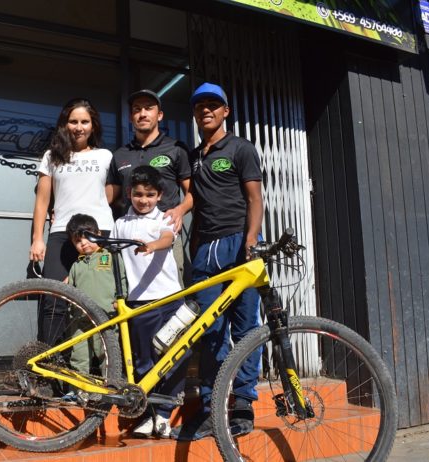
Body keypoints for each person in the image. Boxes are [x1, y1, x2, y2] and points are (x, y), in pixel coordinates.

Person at [170, 83, 263, 441]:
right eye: (199, 106)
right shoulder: (194, 156)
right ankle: (211, 410)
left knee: (246, 329)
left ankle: (242, 406)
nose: (205, 110)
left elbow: (255, 198)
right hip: (205, 249)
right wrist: (180, 209)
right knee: (209, 332)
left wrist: (251, 240)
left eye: (213, 105)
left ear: (225, 111)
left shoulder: (240, 148)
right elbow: (194, 195)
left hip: (240, 246)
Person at [112, 165, 189, 439]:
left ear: (160, 195)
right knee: (144, 362)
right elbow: (113, 259)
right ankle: (148, 416)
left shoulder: (165, 219)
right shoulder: (121, 223)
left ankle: (165, 414)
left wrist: (152, 245)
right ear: (130, 193)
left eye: (150, 195)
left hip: (169, 299)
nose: (143, 200)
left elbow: (167, 239)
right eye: (138, 194)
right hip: (139, 303)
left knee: (176, 355)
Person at [30, 98, 114, 345]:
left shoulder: (105, 156)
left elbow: (111, 194)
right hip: (61, 233)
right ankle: (51, 368)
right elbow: (42, 200)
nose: (79, 127)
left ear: (93, 126)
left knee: (100, 302)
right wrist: (37, 238)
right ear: (65, 125)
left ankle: (101, 367)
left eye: (85, 122)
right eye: (73, 121)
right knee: (53, 301)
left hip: (100, 234)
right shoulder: (51, 156)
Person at [106, 89, 192, 284]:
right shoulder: (120, 154)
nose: (142, 113)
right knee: (132, 297)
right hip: (129, 240)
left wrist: (180, 210)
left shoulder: (176, 149)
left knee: (174, 296)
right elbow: (108, 197)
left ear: (159, 115)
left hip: (166, 235)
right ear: (131, 117)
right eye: (137, 109)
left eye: (148, 108)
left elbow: (192, 192)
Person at [64, 213, 126, 374]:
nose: (83, 244)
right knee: (79, 357)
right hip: (80, 320)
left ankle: (111, 388)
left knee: (107, 355)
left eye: (87, 237)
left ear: (98, 234)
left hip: (106, 316)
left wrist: (121, 298)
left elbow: (122, 279)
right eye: (78, 241)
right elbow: (70, 289)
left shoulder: (110, 256)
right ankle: (80, 392)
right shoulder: (76, 266)